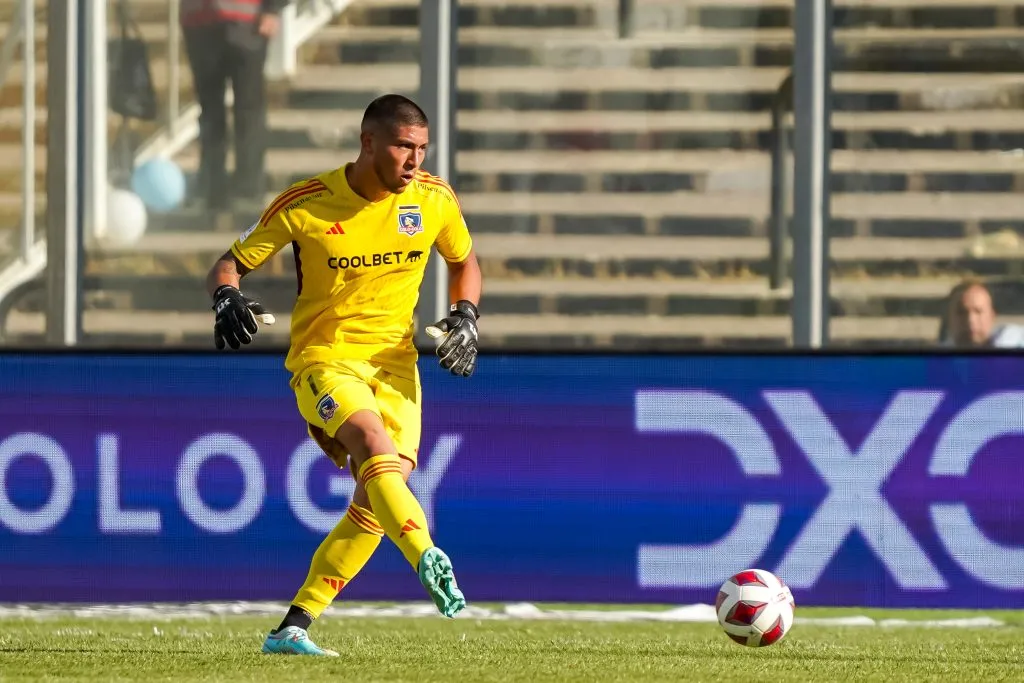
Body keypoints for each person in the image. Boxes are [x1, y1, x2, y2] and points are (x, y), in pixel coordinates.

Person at [205, 94, 482, 656]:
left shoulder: (433, 199)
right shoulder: (308, 201)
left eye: (422, 148)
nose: (414, 160)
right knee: (372, 446)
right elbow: (229, 262)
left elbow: (464, 261)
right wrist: (226, 296)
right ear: (369, 142)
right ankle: (427, 553)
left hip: (397, 365)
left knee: (377, 499)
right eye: (404, 146)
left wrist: (467, 315)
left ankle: (293, 626)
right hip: (325, 360)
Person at [180, 0, 287, 210]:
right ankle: (212, 188)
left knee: (248, 110)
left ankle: (248, 190)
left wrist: (273, 9)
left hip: (248, 23)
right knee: (210, 111)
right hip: (200, 23)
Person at [940, 279, 1024, 348]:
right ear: (949, 317)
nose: (970, 320)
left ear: (992, 316)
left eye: (978, 312)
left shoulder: (1014, 345)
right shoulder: (937, 360)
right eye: (961, 312)